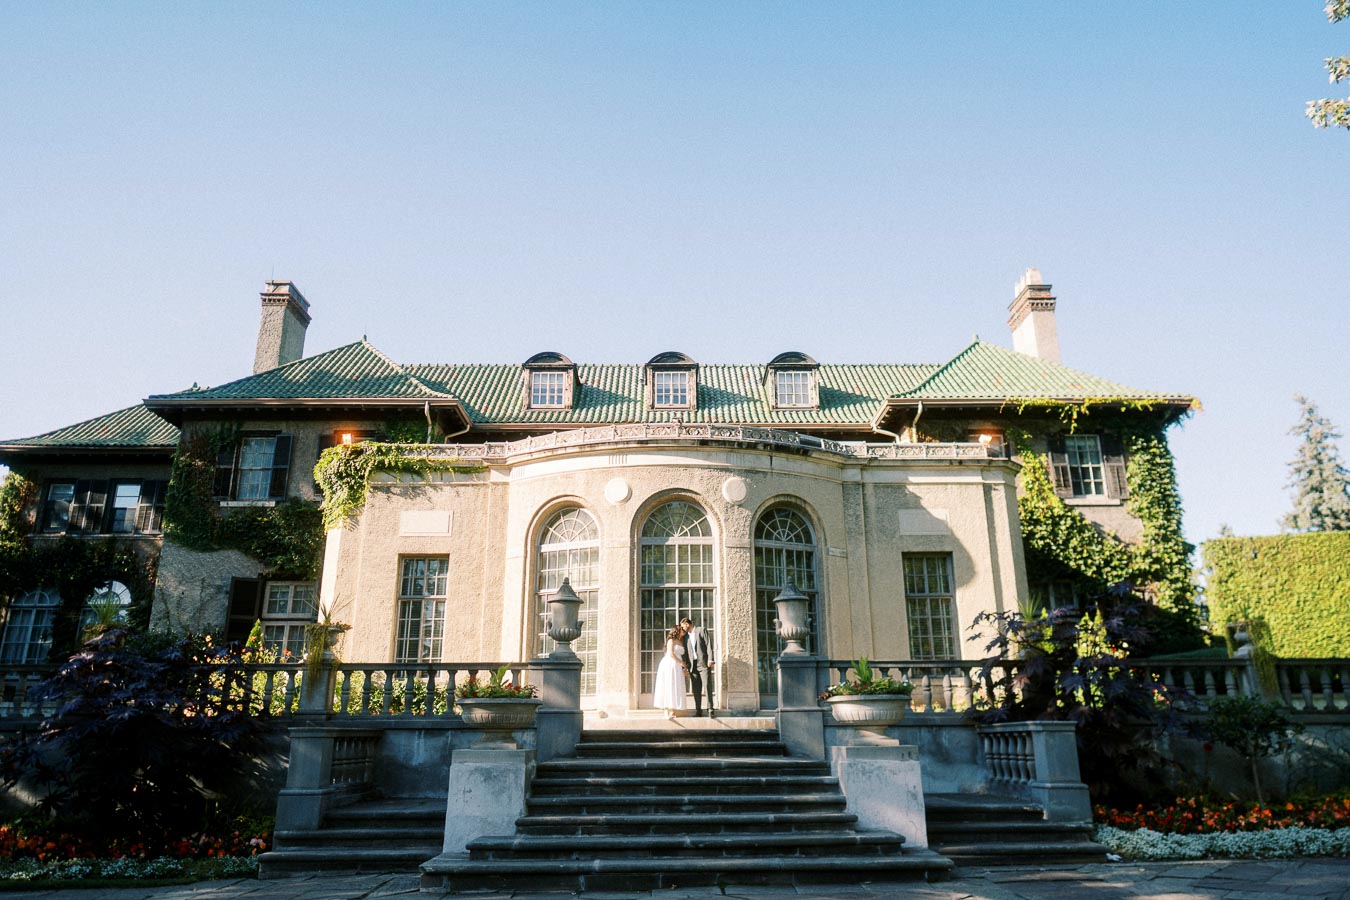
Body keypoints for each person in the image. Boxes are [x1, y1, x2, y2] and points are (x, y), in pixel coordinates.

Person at [652, 625, 688, 719]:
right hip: (669, 665)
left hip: (677, 667)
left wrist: (684, 668)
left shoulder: (681, 641)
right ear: (677, 631)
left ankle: (672, 710)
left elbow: (682, 655)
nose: (683, 631)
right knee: (668, 685)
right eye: (682, 630)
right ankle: (667, 710)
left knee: (675, 686)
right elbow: (671, 654)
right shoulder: (670, 640)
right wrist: (681, 663)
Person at [681, 617, 714, 717]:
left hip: (703, 663)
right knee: (696, 688)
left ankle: (710, 709)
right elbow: (685, 653)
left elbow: (709, 645)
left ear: (687, 624)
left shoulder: (701, 630)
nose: (682, 629)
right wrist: (685, 666)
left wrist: (710, 659)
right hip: (692, 665)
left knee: (707, 685)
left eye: (683, 626)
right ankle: (698, 710)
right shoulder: (685, 637)